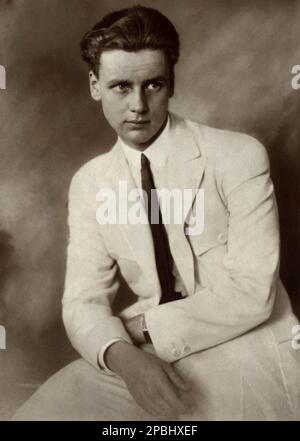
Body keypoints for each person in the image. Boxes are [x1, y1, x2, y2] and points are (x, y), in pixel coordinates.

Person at [13, 5, 300, 421]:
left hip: (246, 348)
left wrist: (143, 328)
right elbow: (82, 302)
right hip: (140, 356)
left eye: (153, 85)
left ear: (172, 84)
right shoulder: (90, 183)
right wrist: (126, 360)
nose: (138, 105)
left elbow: (254, 293)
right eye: (120, 87)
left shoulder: (238, 155)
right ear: (95, 86)